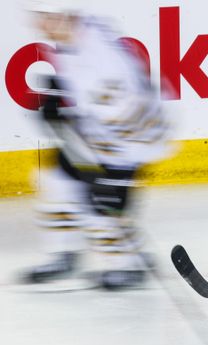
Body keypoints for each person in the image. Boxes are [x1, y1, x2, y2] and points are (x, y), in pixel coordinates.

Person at [21, 1, 171, 289]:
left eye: (45, 17)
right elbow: (85, 87)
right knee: (54, 180)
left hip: (130, 137)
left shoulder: (101, 59)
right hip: (101, 129)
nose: (39, 23)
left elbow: (124, 115)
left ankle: (127, 263)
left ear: (64, 17)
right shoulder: (73, 34)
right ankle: (64, 253)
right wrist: (59, 93)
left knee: (100, 202)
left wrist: (108, 173)